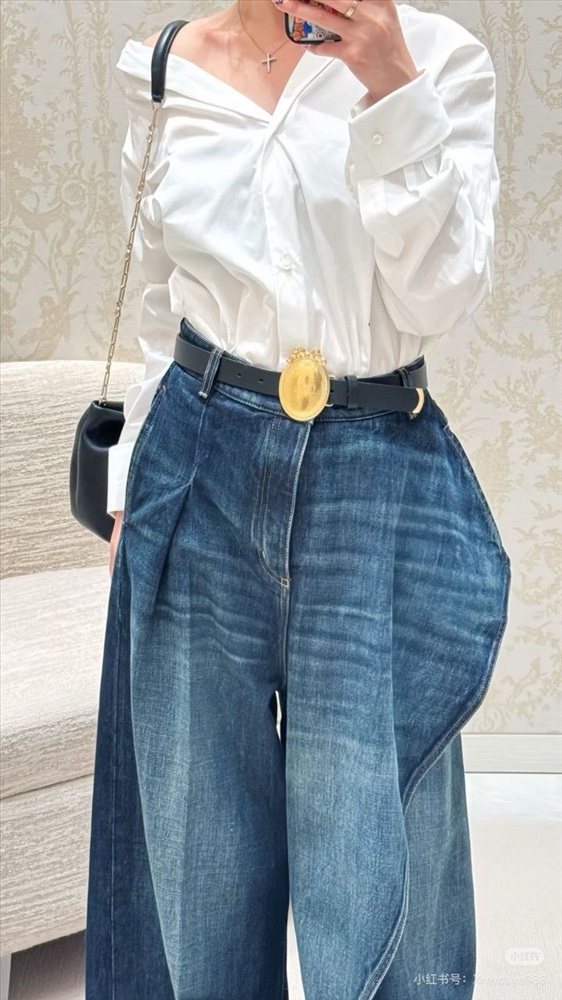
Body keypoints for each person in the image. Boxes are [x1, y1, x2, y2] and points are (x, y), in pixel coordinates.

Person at [85, 2, 511, 998]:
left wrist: (390, 86)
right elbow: (162, 303)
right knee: (191, 842)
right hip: (194, 464)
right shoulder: (163, 66)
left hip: (373, 473)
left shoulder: (440, 60)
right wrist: (132, 486)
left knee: (377, 850)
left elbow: (441, 296)